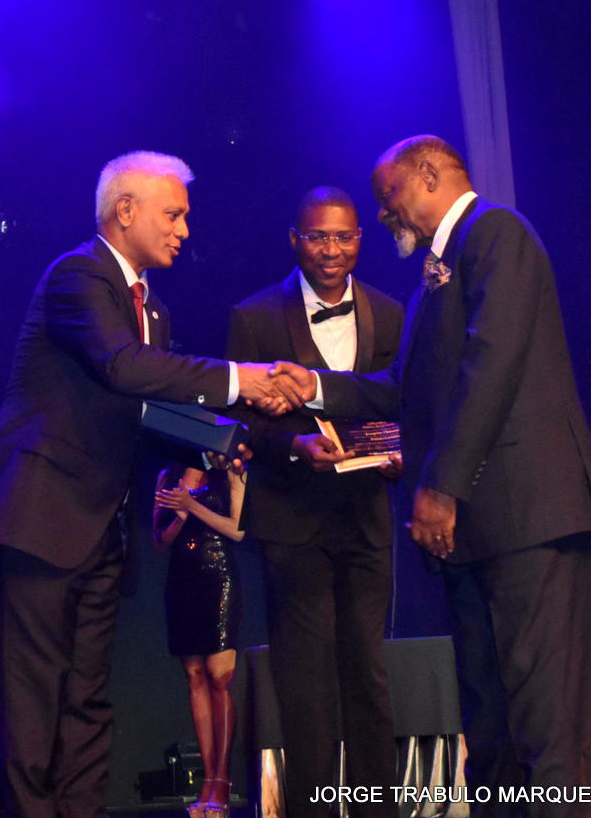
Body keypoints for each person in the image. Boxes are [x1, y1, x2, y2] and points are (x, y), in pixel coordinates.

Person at [271, 136, 591, 818]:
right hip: (474, 534)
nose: (382, 215)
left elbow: (490, 364)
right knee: (489, 734)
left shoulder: (496, 232)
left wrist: (439, 487)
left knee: (544, 732)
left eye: (388, 195)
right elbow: (403, 387)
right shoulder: (434, 275)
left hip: (528, 519)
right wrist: (311, 385)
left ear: (429, 174)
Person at [0, 151, 299, 818]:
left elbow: (153, 417)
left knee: (87, 699)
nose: (183, 230)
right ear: (125, 212)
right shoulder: (77, 276)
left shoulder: (154, 313)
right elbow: (124, 369)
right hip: (39, 519)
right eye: (172, 215)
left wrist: (257, 437)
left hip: (101, 527)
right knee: (32, 704)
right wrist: (242, 378)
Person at [224, 187, 403, 818]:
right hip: (293, 520)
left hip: (365, 517)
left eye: (345, 236)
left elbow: (398, 406)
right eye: (318, 237)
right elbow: (242, 422)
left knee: (368, 677)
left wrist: (400, 450)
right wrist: (296, 445)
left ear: (361, 239)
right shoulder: (253, 317)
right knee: (304, 685)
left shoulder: (391, 313)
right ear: (294, 239)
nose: (332, 249)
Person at [153, 465, 245, 818]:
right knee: (194, 676)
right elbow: (160, 542)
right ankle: (207, 780)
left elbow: (237, 531)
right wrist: (177, 517)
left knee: (219, 676)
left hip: (218, 574)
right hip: (182, 579)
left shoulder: (231, 471)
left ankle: (222, 780)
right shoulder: (169, 475)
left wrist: (193, 508)